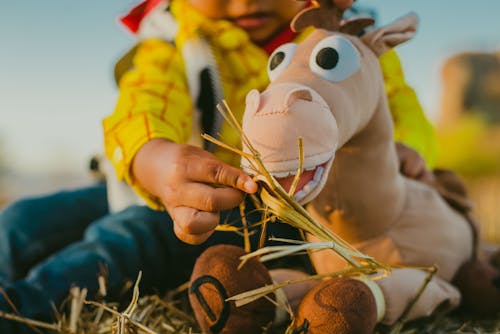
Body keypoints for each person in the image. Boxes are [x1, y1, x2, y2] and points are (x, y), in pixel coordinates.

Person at [0, 0, 436, 332]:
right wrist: (152, 157)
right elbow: (141, 106)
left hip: (286, 208)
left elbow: (398, 111)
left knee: (130, 235)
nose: (247, 1)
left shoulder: (348, 46)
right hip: (172, 184)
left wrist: (406, 151)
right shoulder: (176, 41)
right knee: (23, 218)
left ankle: (21, 307)